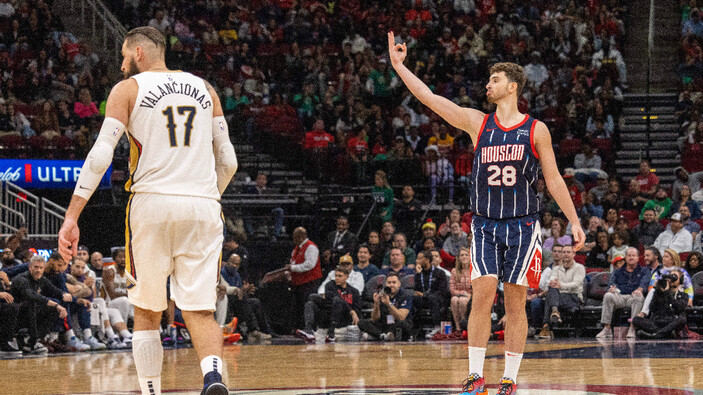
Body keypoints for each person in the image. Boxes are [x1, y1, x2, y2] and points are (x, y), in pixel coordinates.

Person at [388, 33, 585, 394]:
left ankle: (509, 378)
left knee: (515, 301)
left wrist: (573, 218)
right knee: (482, 295)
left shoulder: (535, 129)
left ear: (512, 87)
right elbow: (430, 99)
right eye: (489, 79)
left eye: (495, 80)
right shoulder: (479, 123)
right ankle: (476, 375)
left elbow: (554, 178)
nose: (488, 84)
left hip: (524, 225)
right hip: (484, 224)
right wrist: (401, 67)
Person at [57, 27, 238, 395]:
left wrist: (72, 215)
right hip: (203, 206)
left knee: (147, 310)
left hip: (152, 203)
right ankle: (214, 378)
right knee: (200, 309)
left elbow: (100, 157)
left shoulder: (128, 89)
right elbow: (229, 161)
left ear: (139, 52)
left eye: (124, 56)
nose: (122, 64)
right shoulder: (206, 89)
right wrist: (205, 195)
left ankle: (152, 392)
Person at [10, 255, 67, 355]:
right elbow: (31, 295)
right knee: (32, 303)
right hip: (15, 313)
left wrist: (63, 294)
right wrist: (55, 304)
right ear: (30, 267)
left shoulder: (41, 279)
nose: (38, 270)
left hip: (29, 313)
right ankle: (31, 339)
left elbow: (53, 289)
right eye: (36, 267)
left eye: (41, 268)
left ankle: (32, 340)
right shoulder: (22, 279)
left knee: (53, 310)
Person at [596, 247, 649, 339]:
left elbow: (644, 284)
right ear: (625, 258)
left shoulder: (644, 271)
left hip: (633, 297)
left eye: (633, 256)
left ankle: (632, 327)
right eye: (629, 256)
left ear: (638, 258)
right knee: (608, 296)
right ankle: (607, 328)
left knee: (639, 297)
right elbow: (611, 285)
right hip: (620, 297)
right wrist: (612, 289)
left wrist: (639, 290)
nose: (631, 258)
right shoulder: (618, 272)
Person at [537, 243, 585, 340]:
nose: (566, 254)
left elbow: (576, 284)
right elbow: (553, 281)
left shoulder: (579, 268)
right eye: (564, 252)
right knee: (552, 289)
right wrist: (556, 285)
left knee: (550, 296)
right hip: (559, 297)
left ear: (573, 254)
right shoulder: (556, 269)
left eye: (568, 252)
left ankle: (546, 326)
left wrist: (561, 285)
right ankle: (554, 312)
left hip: (574, 297)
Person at [286, 227, 323, 334]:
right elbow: (293, 262)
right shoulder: (296, 248)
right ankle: (299, 329)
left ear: (302, 236)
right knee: (298, 307)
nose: (293, 239)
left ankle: (309, 329)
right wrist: (288, 272)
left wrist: (293, 268)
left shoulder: (311, 247)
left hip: (309, 282)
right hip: (298, 283)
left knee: (307, 306)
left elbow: (310, 264)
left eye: (295, 236)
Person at [633, 269, 688, 339]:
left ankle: (656, 334)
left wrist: (667, 292)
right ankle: (665, 334)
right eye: (670, 276)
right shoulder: (660, 293)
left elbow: (678, 308)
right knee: (636, 319)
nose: (671, 279)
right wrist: (657, 291)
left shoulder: (683, 295)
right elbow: (652, 308)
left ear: (680, 280)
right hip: (657, 322)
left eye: (674, 276)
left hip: (671, 322)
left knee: (682, 319)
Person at [358, 272, 413, 341]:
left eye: (394, 282)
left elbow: (401, 317)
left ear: (399, 284)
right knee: (362, 322)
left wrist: (388, 303)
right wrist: (376, 304)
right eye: (389, 283)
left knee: (401, 324)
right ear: (385, 284)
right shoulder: (383, 294)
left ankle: (377, 335)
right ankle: (382, 336)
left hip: (398, 324)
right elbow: (375, 319)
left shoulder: (405, 296)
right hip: (386, 324)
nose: (391, 285)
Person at [413, 250, 449, 337]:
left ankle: (437, 327)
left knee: (433, 298)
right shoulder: (418, 275)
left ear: (427, 260)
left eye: (419, 258)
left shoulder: (440, 273)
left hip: (438, 299)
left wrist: (425, 295)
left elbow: (442, 290)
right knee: (412, 298)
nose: (417, 261)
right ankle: (414, 328)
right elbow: (417, 290)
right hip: (423, 299)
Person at [450, 247, 472, 331]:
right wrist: (463, 293)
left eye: (466, 255)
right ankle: (458, 327)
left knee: (462, 300)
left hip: (472, 297)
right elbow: (452, 289)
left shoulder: (474, 270)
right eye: (461, 255)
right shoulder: (454, 271)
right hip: (460, 296)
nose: (464, 257)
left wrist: (469, 295)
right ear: (459, 258)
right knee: (454, 300)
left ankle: (464, 326)